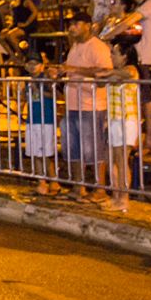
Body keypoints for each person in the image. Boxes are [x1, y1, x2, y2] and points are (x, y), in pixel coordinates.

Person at [55, 11, 112, 202]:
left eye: (76, 24)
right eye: (70, 24)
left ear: (88, 25)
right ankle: (78, 187)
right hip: (73, 104)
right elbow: (71, 68)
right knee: (74, 149)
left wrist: (74, 70)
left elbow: (105, 72)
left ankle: (100, 189)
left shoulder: (97, 47)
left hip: (91, 105)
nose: (72, 28)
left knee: (94, 149)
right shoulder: (75, 47)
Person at [106, 43, 141, 212]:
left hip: (126, 119)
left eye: (114, 53)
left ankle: (124, 198)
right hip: (114, 118)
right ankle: (116, 196)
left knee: (121, 160)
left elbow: (127, 74)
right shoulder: (115, 72)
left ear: (125, 56)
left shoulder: (131, 69)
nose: (111, 57)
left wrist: (108, 73)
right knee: (114, 159)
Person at [22, 55, 61, 196]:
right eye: (30, 63)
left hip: (46, 119)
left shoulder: (46, 78)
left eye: (35, 64)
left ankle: (53, 182)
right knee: (35, 153)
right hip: (33, 119)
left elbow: (56, 94)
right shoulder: (29, 81)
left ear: (42, 65)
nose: (32, 67)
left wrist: (39, 91)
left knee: (45, 153)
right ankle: (43, 182)